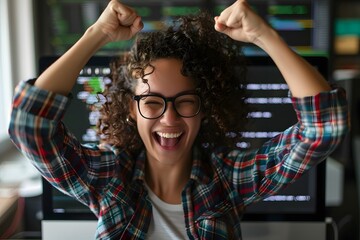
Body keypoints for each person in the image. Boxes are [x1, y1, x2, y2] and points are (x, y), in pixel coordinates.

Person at [9, 0, 349, 239]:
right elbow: (30, 128)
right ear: (131, 108)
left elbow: (323, 129)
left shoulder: (228, 181)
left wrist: (265, 36)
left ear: (205, 108)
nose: (169, 118)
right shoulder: (109, 179)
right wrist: (96, 35)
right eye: (153, 102)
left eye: (185, 101)